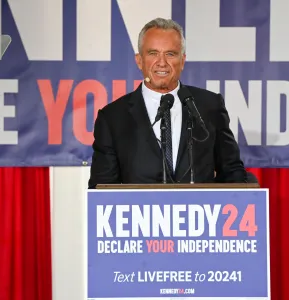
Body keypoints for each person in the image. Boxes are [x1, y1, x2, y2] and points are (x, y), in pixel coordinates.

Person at [88, 18, 247, 188]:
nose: (162, 62)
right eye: (153, 53)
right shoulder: (113, 118)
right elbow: (102, 189)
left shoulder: (209, 106)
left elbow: (232, 172)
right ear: (139, 60)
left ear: (183, 60)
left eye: (170, 54)